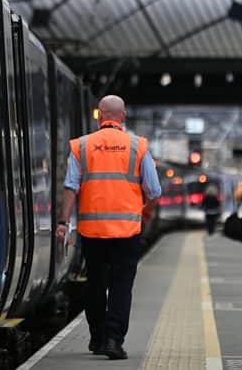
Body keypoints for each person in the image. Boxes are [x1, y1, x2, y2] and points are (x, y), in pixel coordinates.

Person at [56, 95, 161, 360]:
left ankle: (96, 338)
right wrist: (139, 200)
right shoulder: (138, 146)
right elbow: (154, 189)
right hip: (127, 231)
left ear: (99, 116)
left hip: (92, 231)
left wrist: (63, 222)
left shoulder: (81, 146)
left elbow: (71, 186)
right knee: (121, 285)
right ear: (122, 116)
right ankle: (114, 340)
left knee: (95, 282)